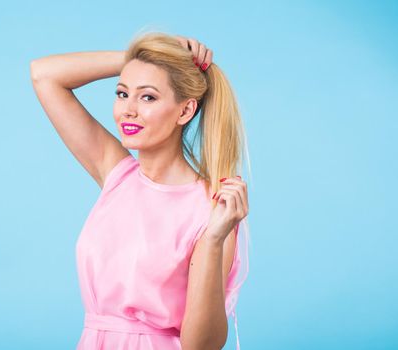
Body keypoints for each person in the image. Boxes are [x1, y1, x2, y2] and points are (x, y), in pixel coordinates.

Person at [30, 31, 251, 350]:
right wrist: (141, 62)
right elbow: (44, 74)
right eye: (122, 93)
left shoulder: (210, 209)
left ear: (185, 111)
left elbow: (201, 345)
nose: (128, 111)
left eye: (147, 97)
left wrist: (216, 238)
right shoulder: (117, 174)